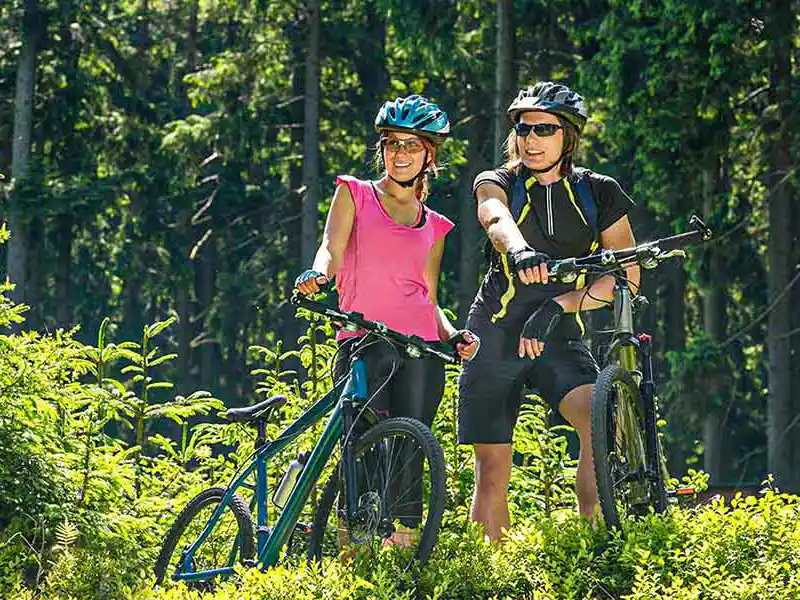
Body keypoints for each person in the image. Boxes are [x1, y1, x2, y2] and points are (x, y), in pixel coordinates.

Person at [458, 81, 640, 540]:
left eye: (545, 129)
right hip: (496, 333)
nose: (531, 139)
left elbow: (625, 275)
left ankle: (593, 551)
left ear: (569, 137)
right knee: (493, 469)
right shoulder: (498, 181)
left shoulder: (598, 193)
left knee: (602, 423)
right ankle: (491, 578)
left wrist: (561, 304)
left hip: (559, 335)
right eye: (523, 129)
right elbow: (494, 217)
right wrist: (520, 252)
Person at [295, 94, 479, 545]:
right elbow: (331, 249)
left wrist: (453, 334)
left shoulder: (435, 226)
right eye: (393, 143)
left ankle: (404, 561)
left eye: (412, 145)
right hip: (365, 338)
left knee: (411, 450)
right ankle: (349, 557)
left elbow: (427, 297)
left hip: (419, 344)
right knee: (360, 448)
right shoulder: (354, 193)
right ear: (382, 149)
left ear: (428, 155)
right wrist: (319, 273)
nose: (401, 153)